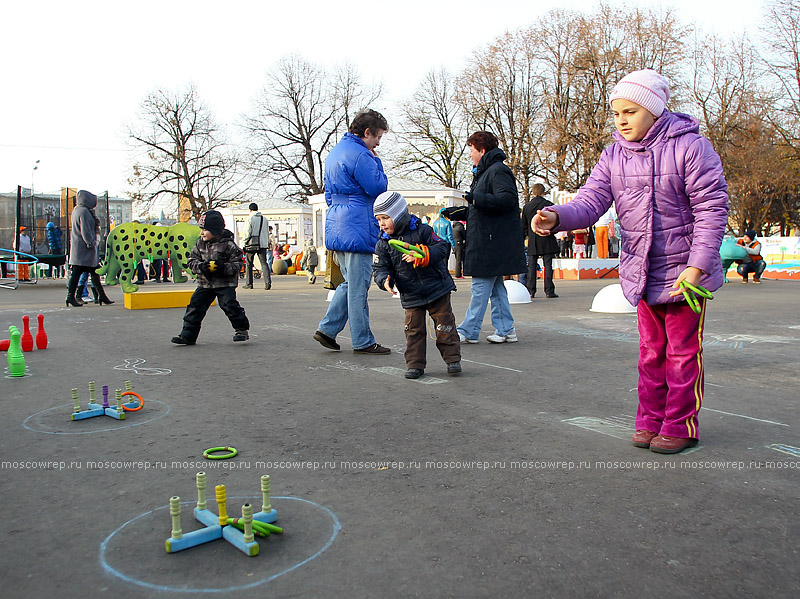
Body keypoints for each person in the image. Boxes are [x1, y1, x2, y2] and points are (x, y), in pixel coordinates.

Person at [533, 69, 728, 454]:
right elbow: (590, 202)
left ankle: (680, 424)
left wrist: (697, 265)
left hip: (686, 276)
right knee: (651, 352)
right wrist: (557, 217)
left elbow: (712, 209)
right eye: (617, 112)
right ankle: (650, 420)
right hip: (642, 271)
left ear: (654, 111)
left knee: (683, 353)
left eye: (631, 111)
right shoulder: (614, 155)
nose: (621, 120)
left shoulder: (691, 147)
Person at [313, 109, 391, 355]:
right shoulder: (361, 155)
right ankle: (362, 340)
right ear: (367, 132)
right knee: (358, 288)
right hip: (357, 224)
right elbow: (378, 187)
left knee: (349, 283)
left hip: (337, 224)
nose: (378, 142)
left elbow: (328, 195)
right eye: (377, 136)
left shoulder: (334, 153)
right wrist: (376, 161)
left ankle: (327, 329)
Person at [442, 131, 526, 344]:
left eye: (472, 150)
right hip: (491, 240)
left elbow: (507, 200)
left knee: (480, 288)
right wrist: (461, 212)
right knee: (496, 288)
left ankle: (469, 330)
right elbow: (488, 205)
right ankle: (506, 329)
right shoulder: (488, 171)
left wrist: (476, 199)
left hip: (491, 242)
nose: (470, 154)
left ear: (482, 150)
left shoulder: (497, 171)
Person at [372, 191, 461, 379]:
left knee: (445, 326)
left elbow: (442, 248)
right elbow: (380, 267)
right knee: (413, 331)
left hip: (437, 288)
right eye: (378, 219)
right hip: (410, 293)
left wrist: (424, 253)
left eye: (385, 218)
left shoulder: (423, 231)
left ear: (398, 215)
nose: (381, 223)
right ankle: (415, 364)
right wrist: (384, 279)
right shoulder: (383, 243)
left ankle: (452, 359)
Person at [171, 210, 249, 345]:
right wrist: (201, 267)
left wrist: (223, 267)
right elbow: (191, 261)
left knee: (229, 305)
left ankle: (241, 329)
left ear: (216, 230)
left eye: (205, 229)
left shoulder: (228, 245)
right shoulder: (199, 244)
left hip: (225, 284)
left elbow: (238, 264)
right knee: (195, 306)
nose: (202, 233)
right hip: (205, 284)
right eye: (201, 229)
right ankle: (188, 335)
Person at [66, 190, 114, 307]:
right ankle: (72, 297)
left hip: (79, 249)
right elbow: (86, 230)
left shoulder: (77, 210)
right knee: (86, 273)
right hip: (85, 250)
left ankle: (75, 297)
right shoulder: (84, 212)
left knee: (89, 273)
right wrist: (91, 243)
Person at [521, 183, 559, 299]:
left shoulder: (527, 206)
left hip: (533, 240)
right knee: (548, 265)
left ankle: (531, 290)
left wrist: (526, 237)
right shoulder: (549, 205)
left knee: (531, 266)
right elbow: (555, 223)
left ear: (532, 192)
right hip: (547, 238)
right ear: (544, 192)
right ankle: (549, 291)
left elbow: (523, 225)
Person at [242, 203, 272, 290]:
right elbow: (266, 232)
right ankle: (267, 282)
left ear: (250, 210)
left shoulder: (249, 218)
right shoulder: (264, 219)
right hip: (262, 244)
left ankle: (249, 283)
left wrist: (244, 243)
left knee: (249, 263)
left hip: (252, 244)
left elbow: (247, 232)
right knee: (264, 263)